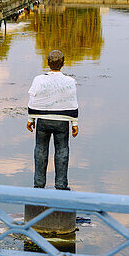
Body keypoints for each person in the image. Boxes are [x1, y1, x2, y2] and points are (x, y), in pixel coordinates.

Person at [26, 50, 79, 191]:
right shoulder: (70, 81)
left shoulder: (38, 79)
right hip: (62, 121)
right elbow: (72, 101)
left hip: (43, 121)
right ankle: (61, 186)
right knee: (62, 151)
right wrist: (74, 123)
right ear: (63, 63)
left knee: (40, 151)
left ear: (48, 63)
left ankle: (38, 185)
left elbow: (34, 99)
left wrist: (30, 119)